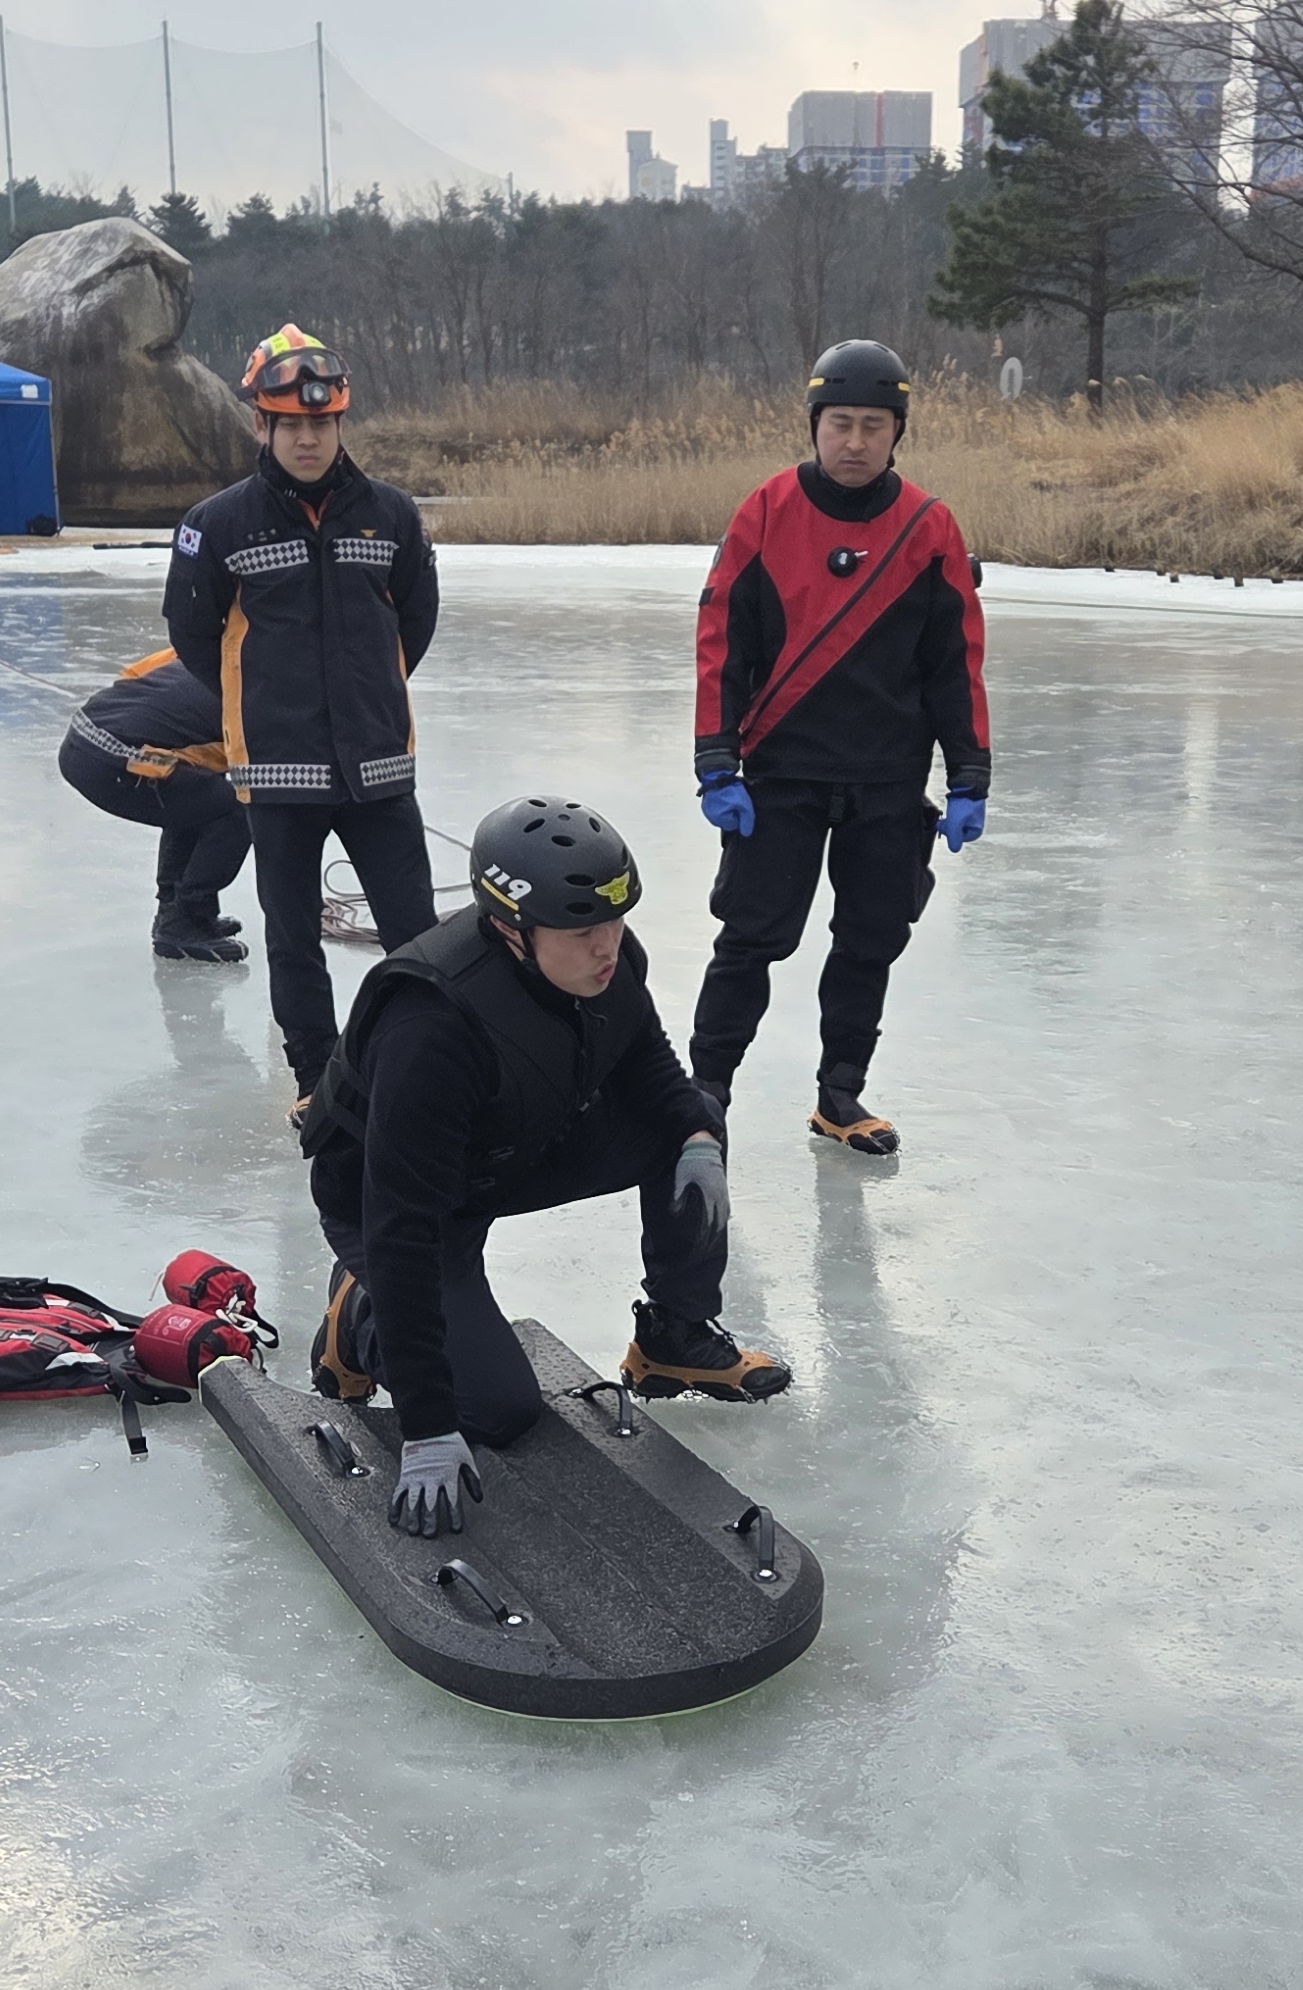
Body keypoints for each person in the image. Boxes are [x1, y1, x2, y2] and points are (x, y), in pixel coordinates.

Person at [303, 797, 792, 1536]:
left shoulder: (607, 960)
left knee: (689, 1119)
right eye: (583, 931)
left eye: (615, 922)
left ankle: (675, 1336)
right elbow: (402, 1229)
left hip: (507, 1149)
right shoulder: (430, 1028)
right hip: (396, 1205)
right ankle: (360, 1314)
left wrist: (695, 1138)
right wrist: (427, 1426)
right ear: (511, 929)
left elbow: (646, 1059)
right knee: (496, 1413)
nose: (607, 946)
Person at [683, 339, 991, 1156]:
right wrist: (716, 763)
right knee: (749, 940)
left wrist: (970, 775)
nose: (855, 441)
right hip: (780, 775)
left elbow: (956, 662)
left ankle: (839, 1094)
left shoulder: (929, 527)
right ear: (815, 426)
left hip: (887, 780)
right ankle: (704, 1093)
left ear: (898, 433)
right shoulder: (766, 512)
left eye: (874, 426)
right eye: (840, 423)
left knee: (869, 943)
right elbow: (720, 642)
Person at [165, 324, 443, 1108]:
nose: (308, 439)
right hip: (279, 773)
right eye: (291, 424)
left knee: (417, 939)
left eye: (321, 423)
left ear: (339, 422)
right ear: (262, 426)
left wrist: (366, 695)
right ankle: (318, 1082)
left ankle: (424, 1070)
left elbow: (413, 622)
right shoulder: (218, 524)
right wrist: (264, 702)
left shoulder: (392, 516)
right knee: (293, 942)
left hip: (378, 768)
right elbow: (193, 634)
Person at [56, 648, 251, 962]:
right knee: (238, 811)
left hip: (83, 736)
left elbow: (133, 676)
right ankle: (184, 921)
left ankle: (176, 912)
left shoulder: (216, 648)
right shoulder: (264, 696)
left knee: (197, 797)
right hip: (111, 761)